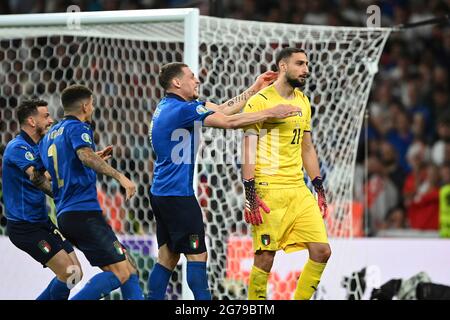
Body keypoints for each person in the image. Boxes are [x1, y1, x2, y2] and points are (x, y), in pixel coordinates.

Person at [148, 62, 300, 300]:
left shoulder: (169, 107)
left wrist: (255, 88)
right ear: (177, 82)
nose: (197, 80)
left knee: (168, 257)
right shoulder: (182, 110)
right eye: (191, 76)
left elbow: (221, 109)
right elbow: (228, 123)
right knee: (198, 256)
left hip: (161, 193)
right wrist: (271, 112)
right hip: (178, 195)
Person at [241, 47, 331, 300]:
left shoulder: (303, 101)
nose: (306, 70)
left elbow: (307, 147)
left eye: (307, 64)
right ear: (282, 66)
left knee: (322, 251)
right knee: (265, 257)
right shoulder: (260, 101)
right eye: (300, 64)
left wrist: (319, 187)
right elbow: (248, 147)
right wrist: (250, 191)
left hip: (298, 189)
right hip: (269, 190)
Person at [39, 84, 143, 300]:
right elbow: (84, 156)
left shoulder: (49, 137)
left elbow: (43, 177)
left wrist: (92, 158)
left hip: (67, 214)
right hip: (84, 213)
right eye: (93, 104)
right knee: (120, 273)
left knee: (129, 268)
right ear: (85, 106)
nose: (93, 108)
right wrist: (121, 177)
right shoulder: (79, 128)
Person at [2, 97, 82, 299]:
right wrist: (62, 196)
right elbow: (37, 177)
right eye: (46, 116)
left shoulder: (41, 147)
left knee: (76, 273)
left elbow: (50, 173)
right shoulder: (17, 147)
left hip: (42, 221)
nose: (50, 120)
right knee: (67, 273)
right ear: (31, 121)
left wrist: (86, 159)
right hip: (24, 227)